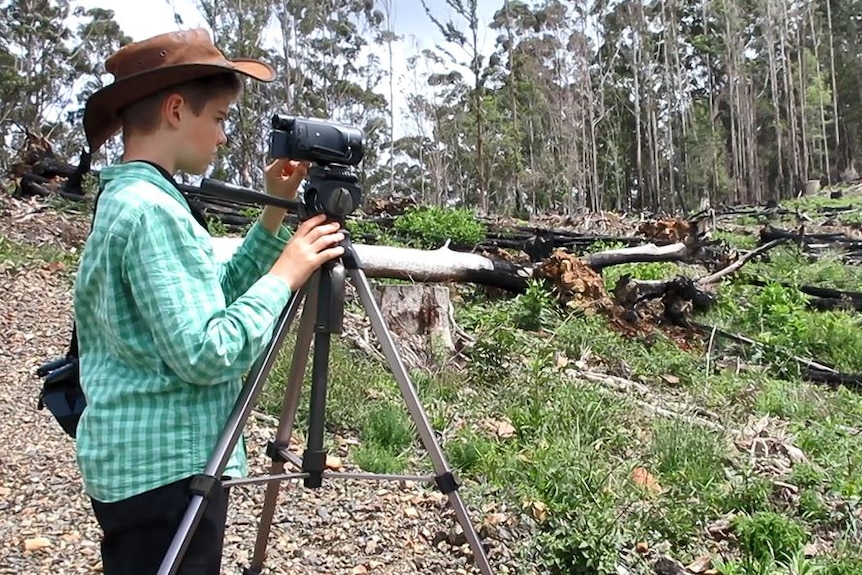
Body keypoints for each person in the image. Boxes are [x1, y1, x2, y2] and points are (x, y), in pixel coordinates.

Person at [73, 28, 345, 574]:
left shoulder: (132, 196)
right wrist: (286, 275)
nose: (223, 136)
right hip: (166, 473)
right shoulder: (154, 212)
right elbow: (207, 351)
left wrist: (275, 213)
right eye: (219, 118)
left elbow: (212, 297)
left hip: (141, 466)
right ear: (176, 109)